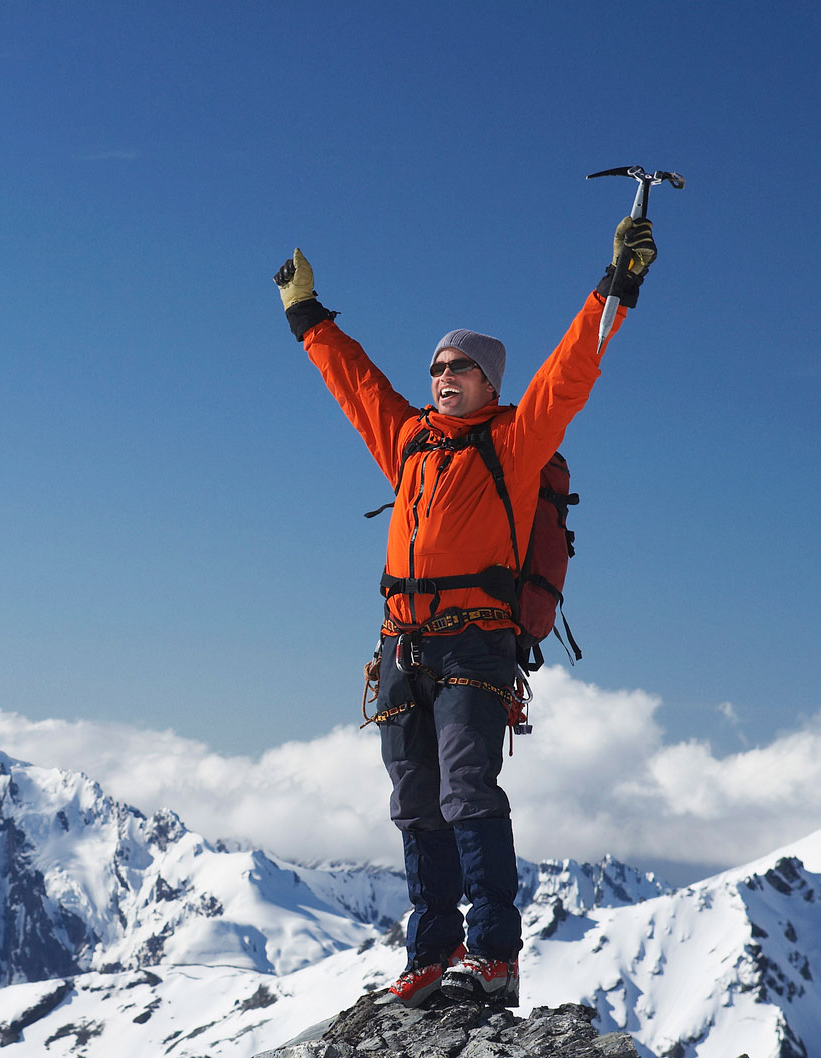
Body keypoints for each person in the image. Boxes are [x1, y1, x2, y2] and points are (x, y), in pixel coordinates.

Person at [273, 217, 656, 1008]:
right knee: (414, 799)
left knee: (467, 791)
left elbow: (571, 369)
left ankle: (492, 955)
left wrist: (616, 283)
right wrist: (307, 317)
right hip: (399, 648)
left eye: (460, 368)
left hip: (475, 645)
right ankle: (431, 949)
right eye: (438, 366)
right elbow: (357, 385)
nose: (443, 375)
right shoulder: (410, 441)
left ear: (488, 382)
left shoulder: (514, 443)